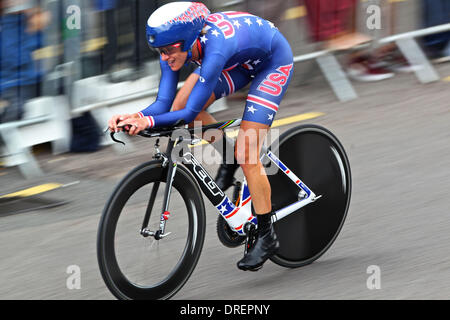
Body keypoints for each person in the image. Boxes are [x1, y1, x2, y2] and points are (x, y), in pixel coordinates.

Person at [108, 1, 295, 271]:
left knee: (247, 153)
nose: (164, 58)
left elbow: (190, 112)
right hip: (238, 62)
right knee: (179, 104)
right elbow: (163, 104)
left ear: (188, 40)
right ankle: (227, 157)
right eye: (158, 51)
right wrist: (134, 117)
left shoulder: (215, 47)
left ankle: (266, 236)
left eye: (169, 50)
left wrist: (145, 121)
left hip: (271, 62)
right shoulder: (176, 47)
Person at [0, 0, 49, 123]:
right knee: (15, 110)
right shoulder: (9, 26)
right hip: (12, 86)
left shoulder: (21, 22)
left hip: (31, 81)